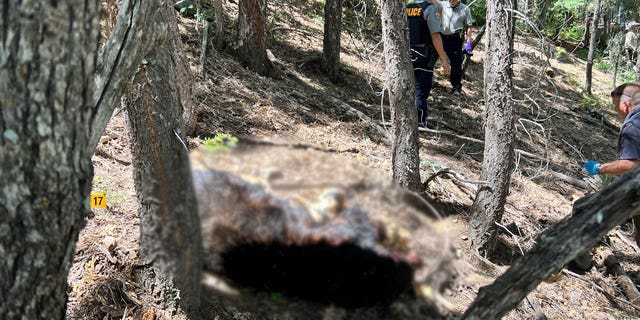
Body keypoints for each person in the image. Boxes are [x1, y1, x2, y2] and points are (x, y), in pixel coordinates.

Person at [583, 82, 640, 245]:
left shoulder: (633, 126)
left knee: (593, 209)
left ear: (626, 104)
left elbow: (631, 164)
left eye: (615, 107)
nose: (616, 112)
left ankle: (579, 259)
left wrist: (600, 168)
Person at [407, 0, 451, 127]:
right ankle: (419, 122)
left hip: (407, 54)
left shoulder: (408, 7)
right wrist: (444, 60)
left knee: (410, 88)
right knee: (421, 90)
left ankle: (410, 120)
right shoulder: (429, 9)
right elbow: (435, 36)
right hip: (424, 56)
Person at [438, 0, 473, 95]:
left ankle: (456, 87)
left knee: (456, 64)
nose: (451, 1)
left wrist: (468, 42)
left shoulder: (465, 9)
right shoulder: (442, 5)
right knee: (431, 58)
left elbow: (468, 26)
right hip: (440, 37)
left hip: (455, 39)